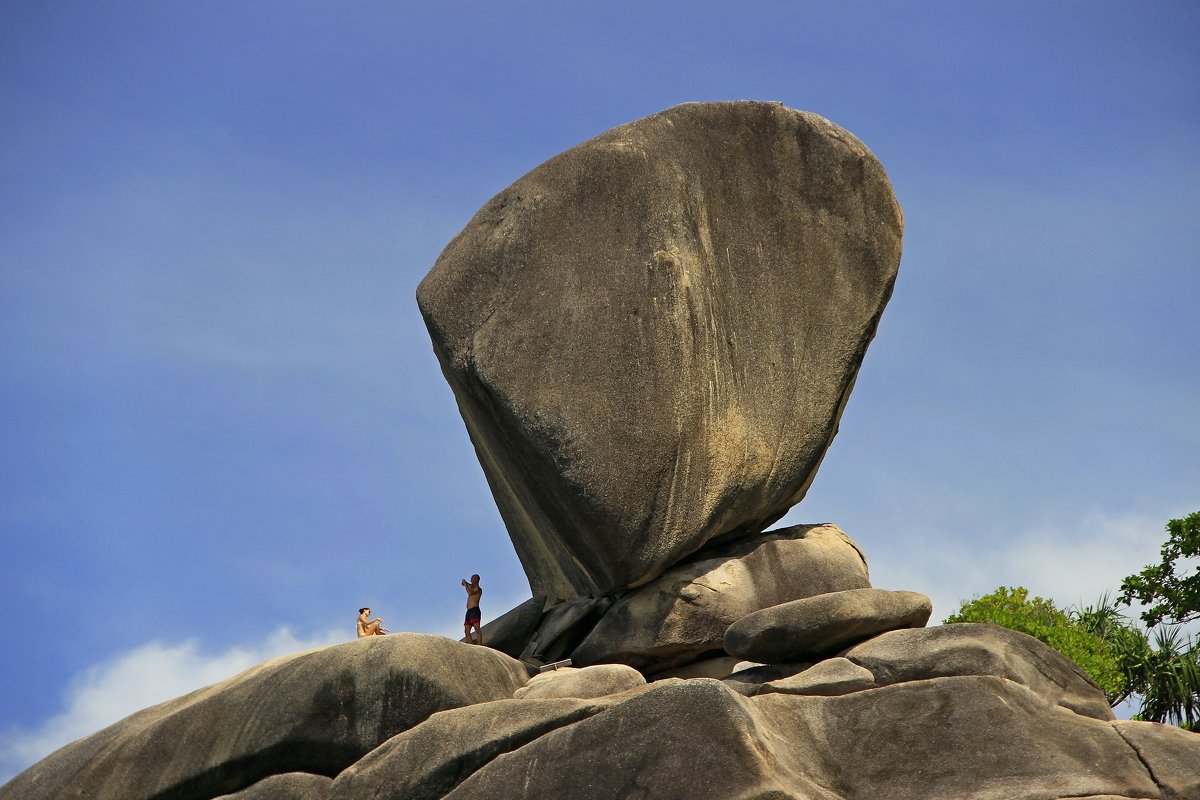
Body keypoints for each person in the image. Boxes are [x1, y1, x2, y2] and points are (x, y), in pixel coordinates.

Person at [461, 574, 483, 645]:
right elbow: (463, 584)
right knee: (466, 631)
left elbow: (470, 593)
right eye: (471, 579)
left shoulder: (478, 589)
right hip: (469, 611)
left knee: (477, 629)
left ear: (477, 579)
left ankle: (480, 644)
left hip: (474, 610)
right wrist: (465, 583)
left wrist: (465, 584)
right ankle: (470, 644)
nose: (471, 580)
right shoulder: (471, 586)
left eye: (473, 578)